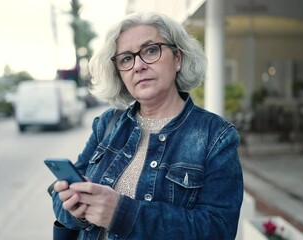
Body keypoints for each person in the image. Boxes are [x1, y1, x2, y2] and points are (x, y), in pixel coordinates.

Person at [52, 12, 244, 240]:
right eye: (126, 59)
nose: (138, 66)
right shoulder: (107, 124)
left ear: (178, 58)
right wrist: (75, 208)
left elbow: (219, 230)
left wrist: (121, 214)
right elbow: (61, 198)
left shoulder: (216, 136)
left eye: (151, 50)